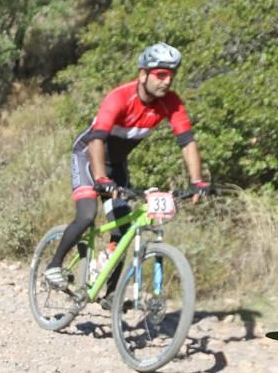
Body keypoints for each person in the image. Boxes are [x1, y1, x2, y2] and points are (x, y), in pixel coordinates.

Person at [43, 42, 209, 299]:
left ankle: (110, 295)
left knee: (122, 230)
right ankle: (54, 265)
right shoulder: (120, 97)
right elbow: (97, 139)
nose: (166, 81)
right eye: (160, 75)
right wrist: (100, 179)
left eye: (171, 76)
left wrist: (197, 181)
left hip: (116, 165)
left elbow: (187, 142)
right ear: (143, 74)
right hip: (88, 157)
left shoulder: (171, 103)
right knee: (87, 214)